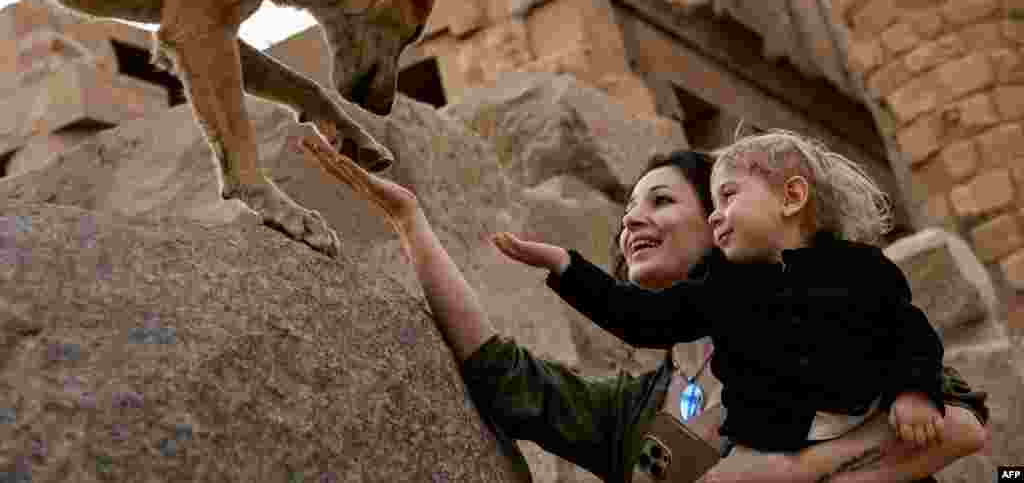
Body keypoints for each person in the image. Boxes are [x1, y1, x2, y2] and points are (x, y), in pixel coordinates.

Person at [299, 135, 988, 483]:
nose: (633, 223)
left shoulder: (819, 322)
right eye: (627, 212)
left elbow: (957, 421)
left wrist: (799, 470)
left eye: (661, 200)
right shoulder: (640, 408)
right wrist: (411, 225)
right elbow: (506, 376)